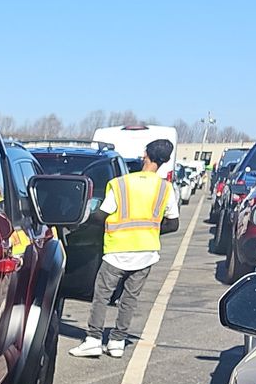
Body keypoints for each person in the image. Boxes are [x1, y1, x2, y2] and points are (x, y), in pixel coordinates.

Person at [69, 138, 181, 359]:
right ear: (165, 161)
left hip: (117, 251)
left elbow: (102, 215)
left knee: (102, 295)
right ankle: (117, 342)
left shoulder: (121, 184)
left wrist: (80, 224)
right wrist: (148, 231)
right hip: (146, 252)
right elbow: (173, 223)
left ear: (145, 156)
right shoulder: (165, 188)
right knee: (129, 298)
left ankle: (93, 339)